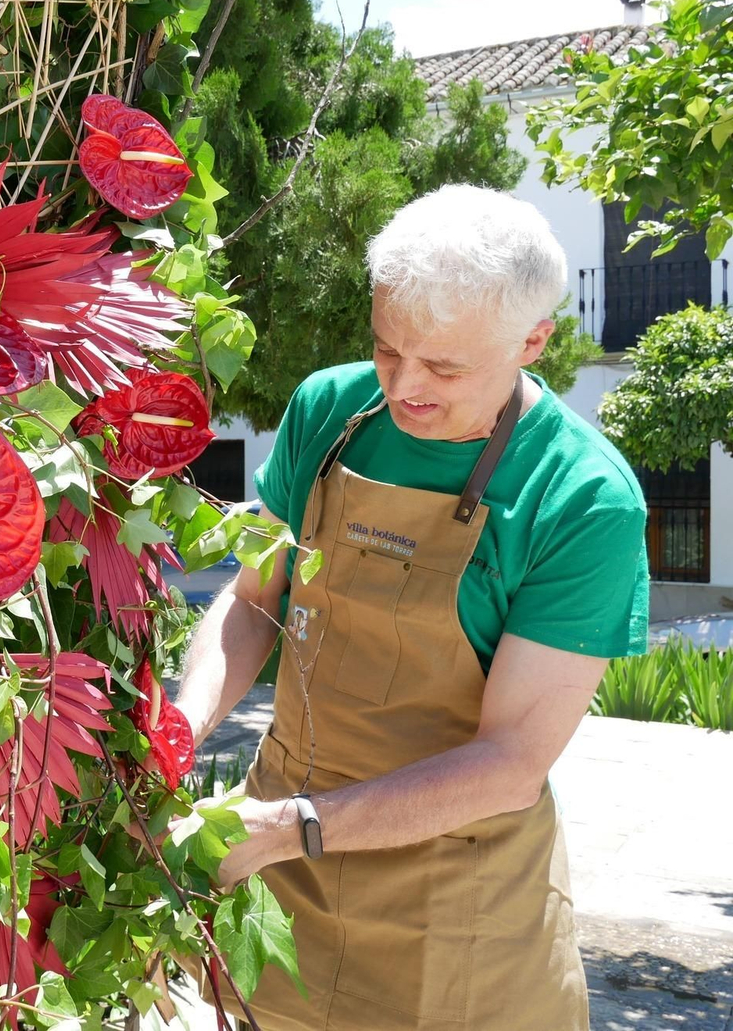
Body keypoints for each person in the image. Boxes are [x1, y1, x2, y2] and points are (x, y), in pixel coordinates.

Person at [177, 185, 649, 1030]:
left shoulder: (582, 499)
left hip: (453, 918)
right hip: (278, 878)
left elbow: (510, 761)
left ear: (534, 340)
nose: (403, 385)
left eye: (445, 366)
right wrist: (182, 728)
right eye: (388, 347)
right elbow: (253, 603)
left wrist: (293, 824)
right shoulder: (329, 410)